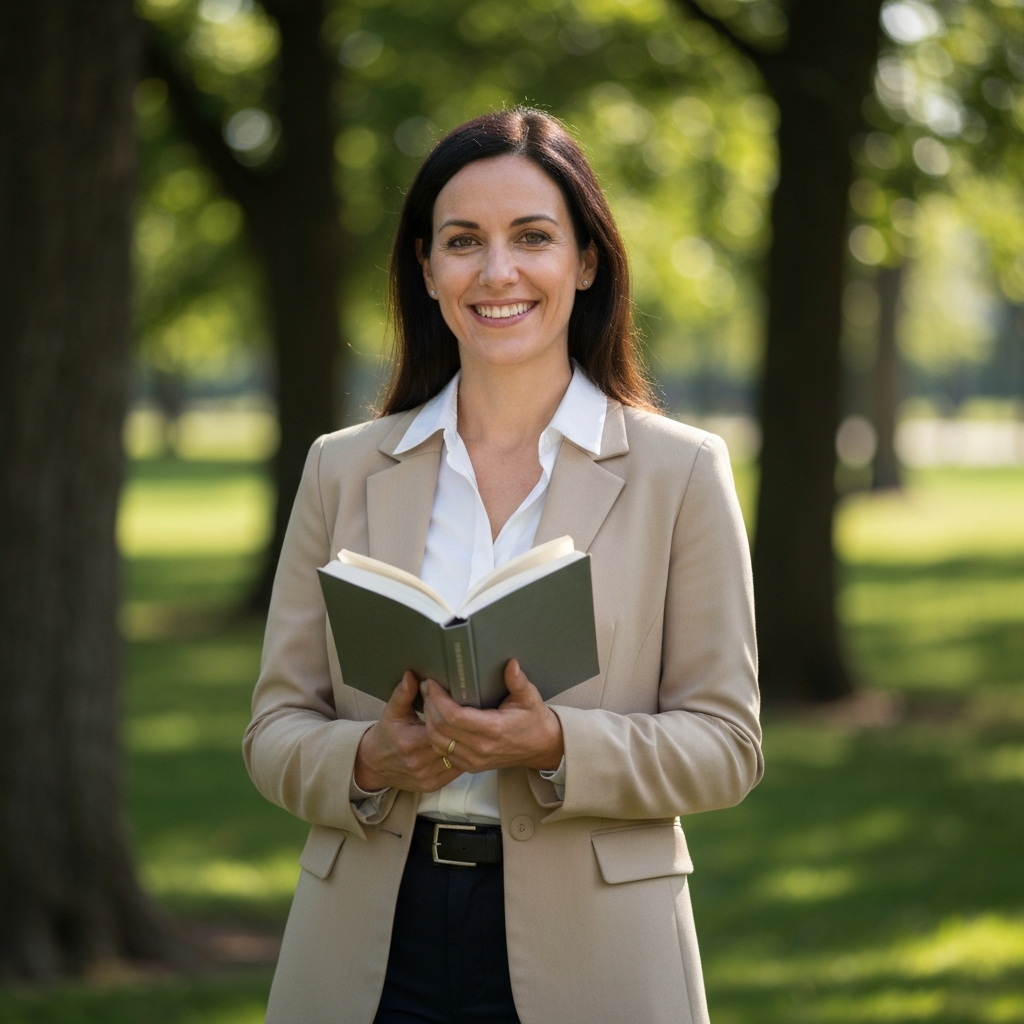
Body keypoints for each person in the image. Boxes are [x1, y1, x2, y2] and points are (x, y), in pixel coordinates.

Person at [244, 107, 762, 1024]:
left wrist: (557, 745)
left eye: (532, 237)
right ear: (426, 267)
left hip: (595, 950)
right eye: (462, 241)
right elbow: (275, 729)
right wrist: (366, 757)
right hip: (370, 938)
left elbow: (727, 747)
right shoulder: (343, 467)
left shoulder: (681, 471)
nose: (497, 272)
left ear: (587, 261)